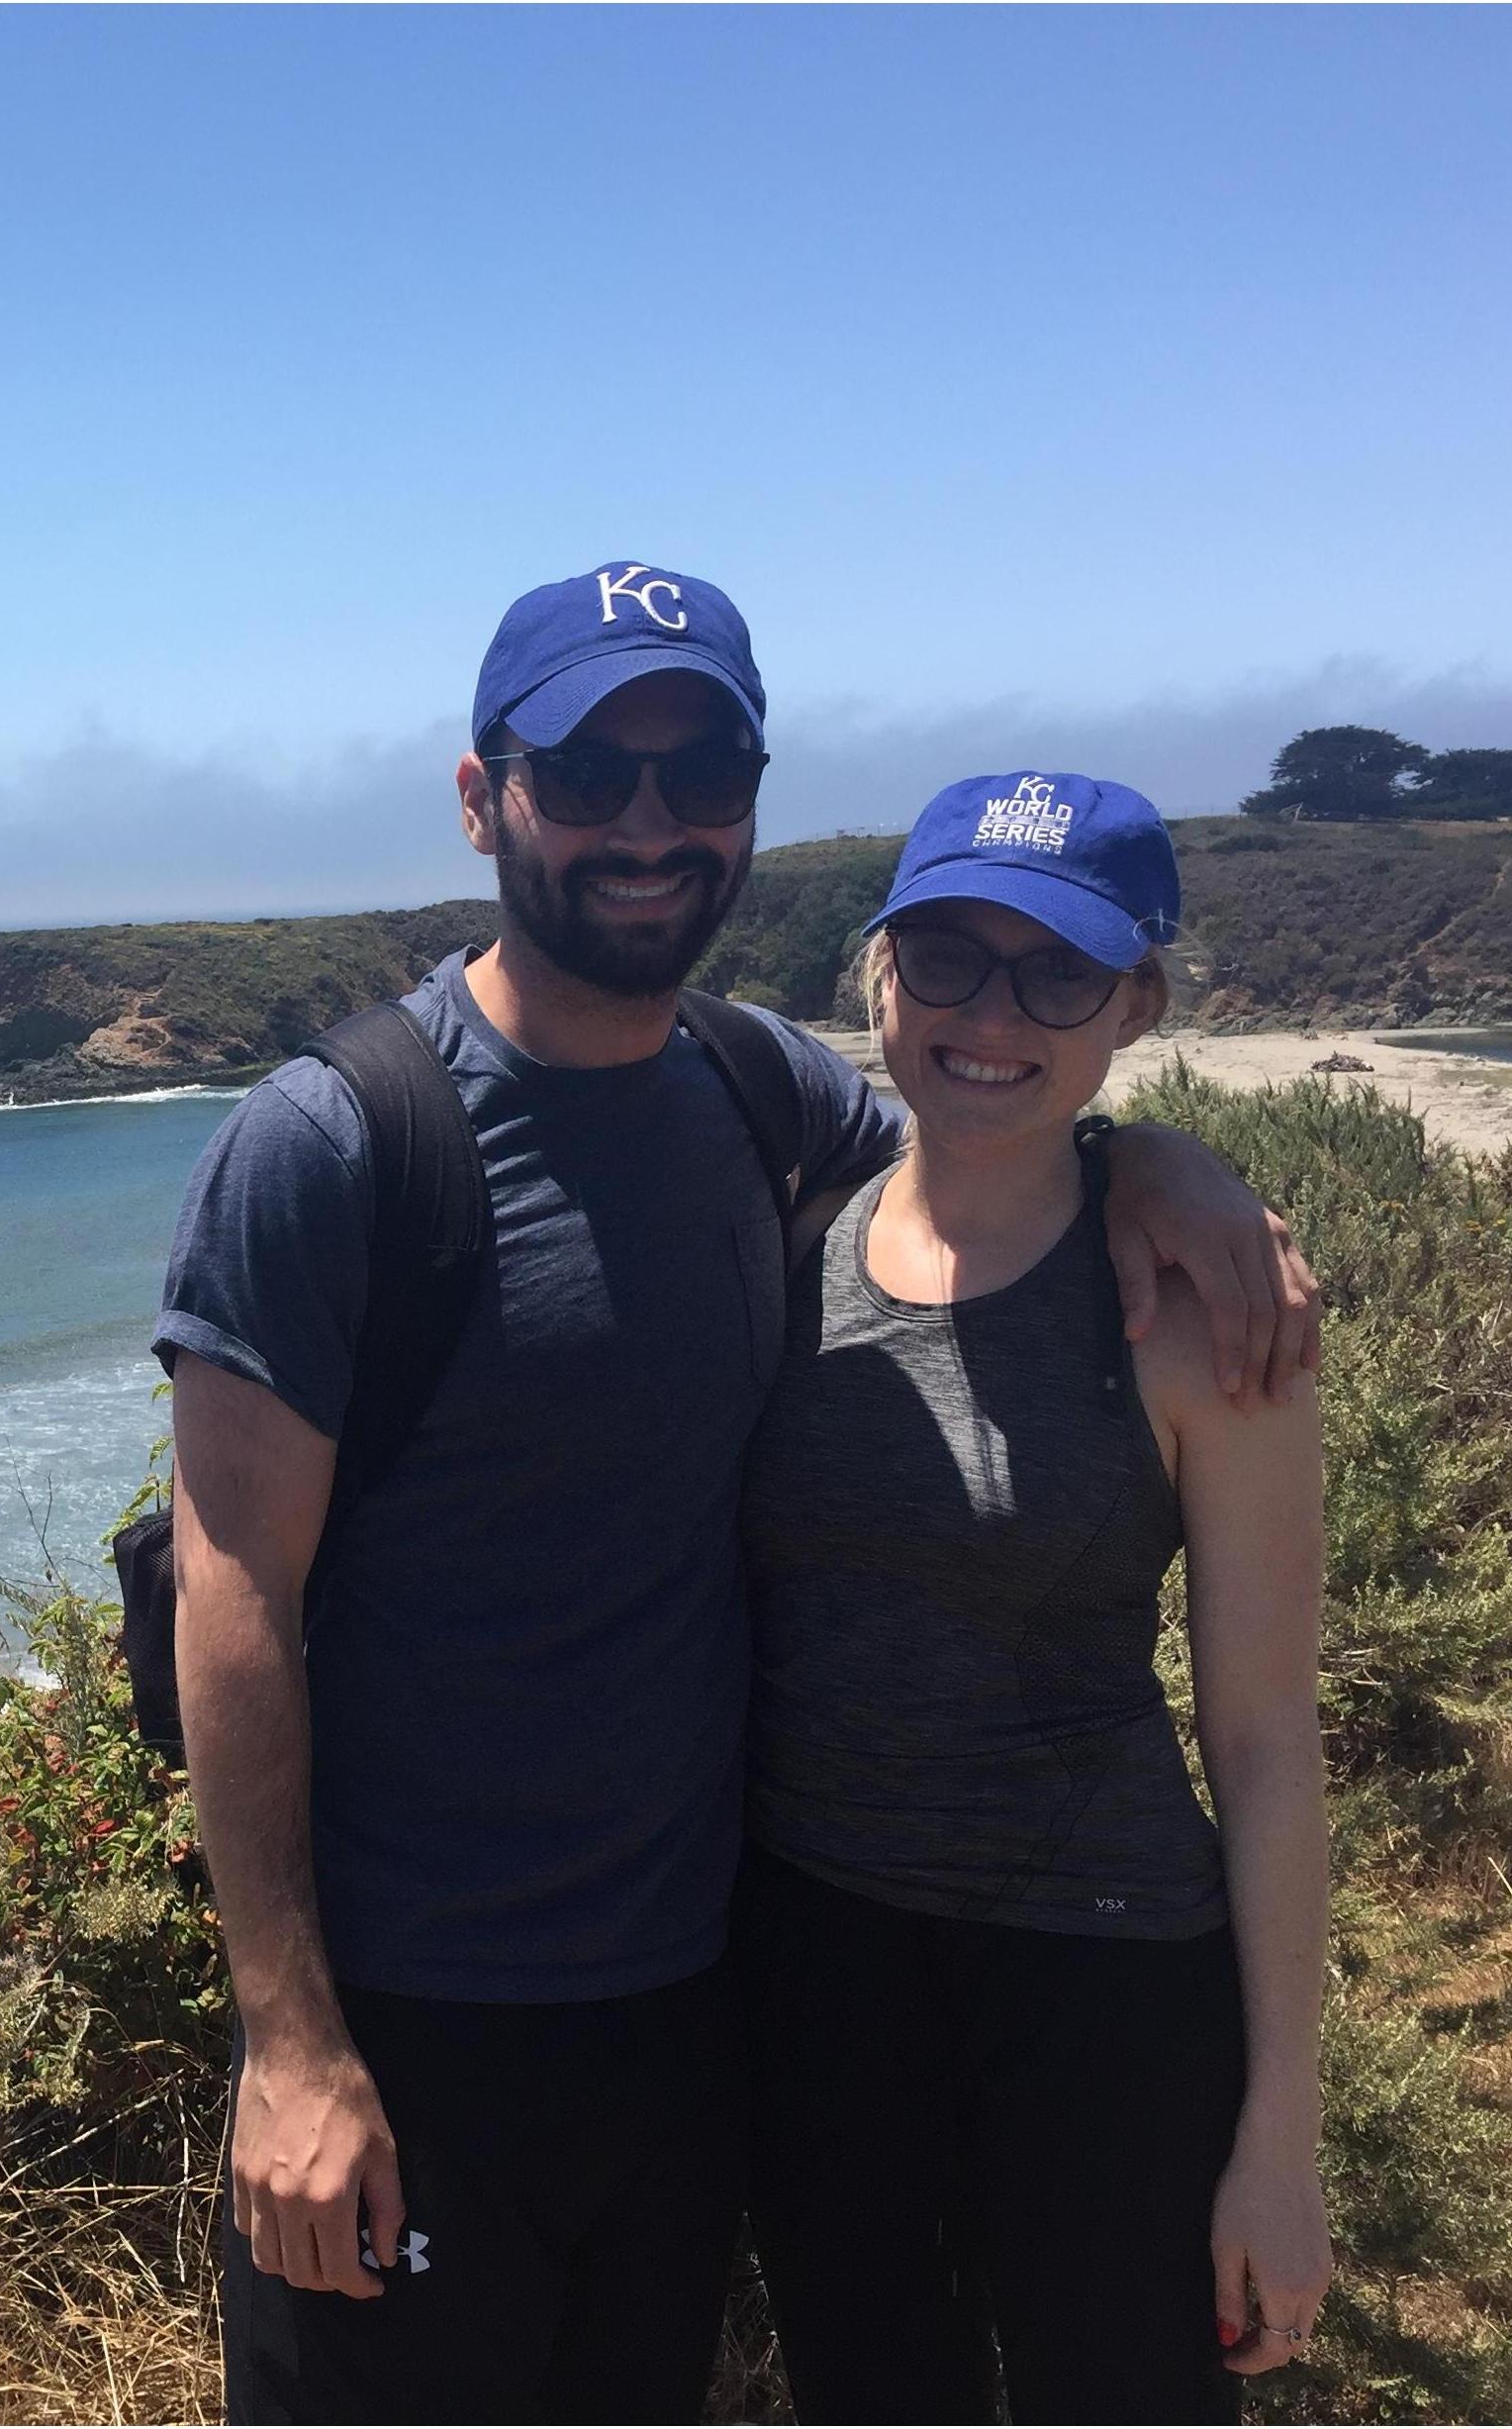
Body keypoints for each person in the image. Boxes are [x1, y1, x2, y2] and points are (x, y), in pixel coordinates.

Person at [152, 565, 1320, 2425]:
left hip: (705, 2005)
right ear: (482, 797)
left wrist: (1152, 1154)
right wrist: (289, 2044)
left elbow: (988, 1131)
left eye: (699, 771)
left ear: (750, 804)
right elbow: (234, 1590)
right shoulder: (332, 1143)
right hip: (417, 2022)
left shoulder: (756, 1088)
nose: (647, 821)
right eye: (587, 770)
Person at [737, 773, 1332, 2424]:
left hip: (1104, 1980)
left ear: (1130, 1002)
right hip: (819, 1961)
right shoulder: (788, 1249)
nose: (989, 1013)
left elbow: (1270, 1740)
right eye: (944, 956)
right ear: (877, 974)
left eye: (1054, 973)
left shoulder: (1200, 1320)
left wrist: (1275, 2138)